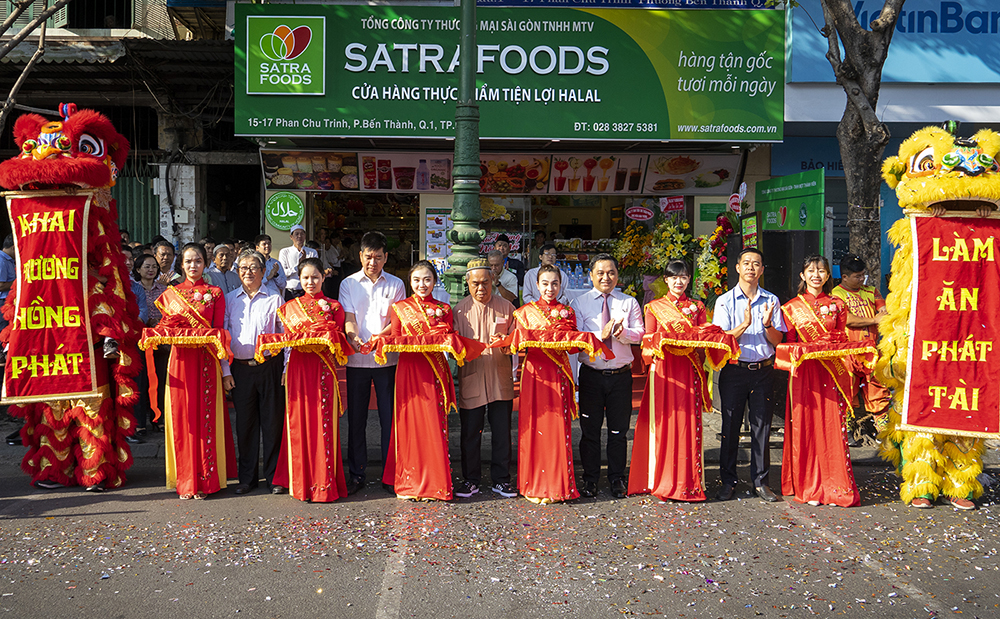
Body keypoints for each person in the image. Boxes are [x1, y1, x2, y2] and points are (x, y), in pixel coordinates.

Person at [629, 260, 738, 502]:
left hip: (689, 369)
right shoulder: (654, 307)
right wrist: (661, 342)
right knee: (665, 423)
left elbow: (704, 336)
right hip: (664, 370)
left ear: (689, 280)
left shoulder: (697, 307)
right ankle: (662, 479)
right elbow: (647, 341)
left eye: (684, 277)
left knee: (688, 423)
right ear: (666, 280)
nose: (679, 281)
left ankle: (688, 480)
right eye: (674, 277)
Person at [778, 255, 874, 507]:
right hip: (804, 374)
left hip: (832, 372)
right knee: (807, 427)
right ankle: (810, 487)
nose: (816, 275)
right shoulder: (791, 307)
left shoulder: (838, 304)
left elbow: (842, 338)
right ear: (803, 275)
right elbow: (788, 344)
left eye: (821, 271)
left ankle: (835, 486)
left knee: (832, 426)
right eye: (811, 271)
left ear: (828, 275)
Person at [143, 243, 235, 499]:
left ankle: (206, 479)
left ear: (205, 263)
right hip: (180, 362)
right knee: (183, 420)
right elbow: (164, 328)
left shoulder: (215, 293)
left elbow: (220, 332)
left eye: (198, 261)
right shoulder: (172, 294)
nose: (193, 265)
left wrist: (225, 369)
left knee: (206, 419)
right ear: (181, 265)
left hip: (207, 362)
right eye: (188, 261)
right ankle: (186, 479)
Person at [510, 265, 608, 503]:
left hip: (558, 372)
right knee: (534, 425)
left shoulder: (567, 312)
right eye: (545, 284)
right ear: (537, 285)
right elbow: (517, 345)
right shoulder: (524, 313)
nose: (550, 288)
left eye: (554, 283)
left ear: (561, 285)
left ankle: (557, 485)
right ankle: (533, 484)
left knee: (557, 426)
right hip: (534, 374)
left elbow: (573, 347)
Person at [263, 258, 350, 503]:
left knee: (323, 421)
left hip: (323, 367)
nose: (310, 282)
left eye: (315, 277)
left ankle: (323, 480)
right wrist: (285, 368)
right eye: (305, 278)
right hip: (298, 368)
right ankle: (299, 479)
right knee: (297, 421)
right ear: (299, 280)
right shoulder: (289, 307)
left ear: (323, 277)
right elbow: (287, 344)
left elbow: (339, 340)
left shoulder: (334, 306)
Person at [377, 261, 459, 501]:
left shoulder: (444, 309)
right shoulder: (400, 308)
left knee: (433, 422)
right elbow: (395, 338)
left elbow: (448, 338)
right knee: (409, 424)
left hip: (434, 370)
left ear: (434, 281)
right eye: (416, 280)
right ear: (410, 283)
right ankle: (410, 481)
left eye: (427, 279)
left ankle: (435, 483)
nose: (422, 284)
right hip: (409, 370)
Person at [712, 248, 788, 502]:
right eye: (746, 263)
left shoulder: (771, 300)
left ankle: (761, 482)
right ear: (737, 268)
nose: (751, 268)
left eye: (756, 264)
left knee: (761, 428)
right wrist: (744, 325)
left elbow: (778, 341)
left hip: (763, 371)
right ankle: (728, 481)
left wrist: (767, 324)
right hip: (734, 370)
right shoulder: (724, 301)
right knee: (730, 426)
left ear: (762, 269)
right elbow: (721, 339)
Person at [571, 253, 644, 498]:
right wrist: (599, 336)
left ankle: (617, 478)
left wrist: (623, 334)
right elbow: (576, 337)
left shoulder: (629, 302)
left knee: (618, 431)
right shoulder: (579, 303)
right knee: (590, 430)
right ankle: (590, 479)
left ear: (617, 275)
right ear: (591, 275)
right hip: (591, 375)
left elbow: (640, 333)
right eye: (600, 273)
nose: (606, 277)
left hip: (620, 376)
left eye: (611, 272)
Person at [339, 231, 406, 495]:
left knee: (389, 418)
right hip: (357, 360)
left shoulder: (396, 284)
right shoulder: (348, 283)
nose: (373, 262)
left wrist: (381, 338)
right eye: (368, 257)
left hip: (386, 360)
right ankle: (357, 474)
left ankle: (391, 475)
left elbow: (396, 320)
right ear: (360, 256)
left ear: (386, 257)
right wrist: (353, 337)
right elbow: (349, 317)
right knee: (357, 419)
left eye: (378, 257)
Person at [221, 251, 286, 495]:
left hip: (270, 367)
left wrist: (286, 367)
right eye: (243, 268)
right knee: (245, 425)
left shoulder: (275, 298)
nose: (248, 272)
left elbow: (286, 335)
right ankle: (247, 478)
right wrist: (225, 371)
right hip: (240, 369)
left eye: (253, 267)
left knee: (272, 423)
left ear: (263, 271)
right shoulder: (230, 299)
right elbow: (222, 338)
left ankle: (274, 477)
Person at [453, 258, 517, 499]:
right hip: (472, 377)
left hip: (500, 377)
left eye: (485, 283)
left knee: (502, 432)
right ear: (468, 284)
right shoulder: (459, 310)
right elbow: (453, 345)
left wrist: (507, 344)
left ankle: (501, 479)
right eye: (475, 284)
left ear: (493, 281)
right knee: (470, 432)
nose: (481, 288)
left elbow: (516, 340)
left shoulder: (507, 308)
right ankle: (471, 479)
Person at [831, 254, 890, 440]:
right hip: (848, 351)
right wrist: (874, 319)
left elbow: (883, 310)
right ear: (845, 277)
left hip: (872, 351)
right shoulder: (836, 294)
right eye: (857, 276)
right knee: (847, 389)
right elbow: (847, 319)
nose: (862, 279)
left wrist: (882, 313)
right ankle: (846, 432)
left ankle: (884, 433)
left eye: (863, 275)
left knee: (878, 390)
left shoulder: (871, 291)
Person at [279, 224, 319, 301]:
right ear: (291, 237)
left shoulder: (312, 252)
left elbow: (315, 270)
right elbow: (283, 273)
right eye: (296, 234)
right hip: (290, 291)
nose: (299, 236)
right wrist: (299, 266)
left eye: (302, 234)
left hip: (307, 290)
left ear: (305, 236)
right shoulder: (285, 252)